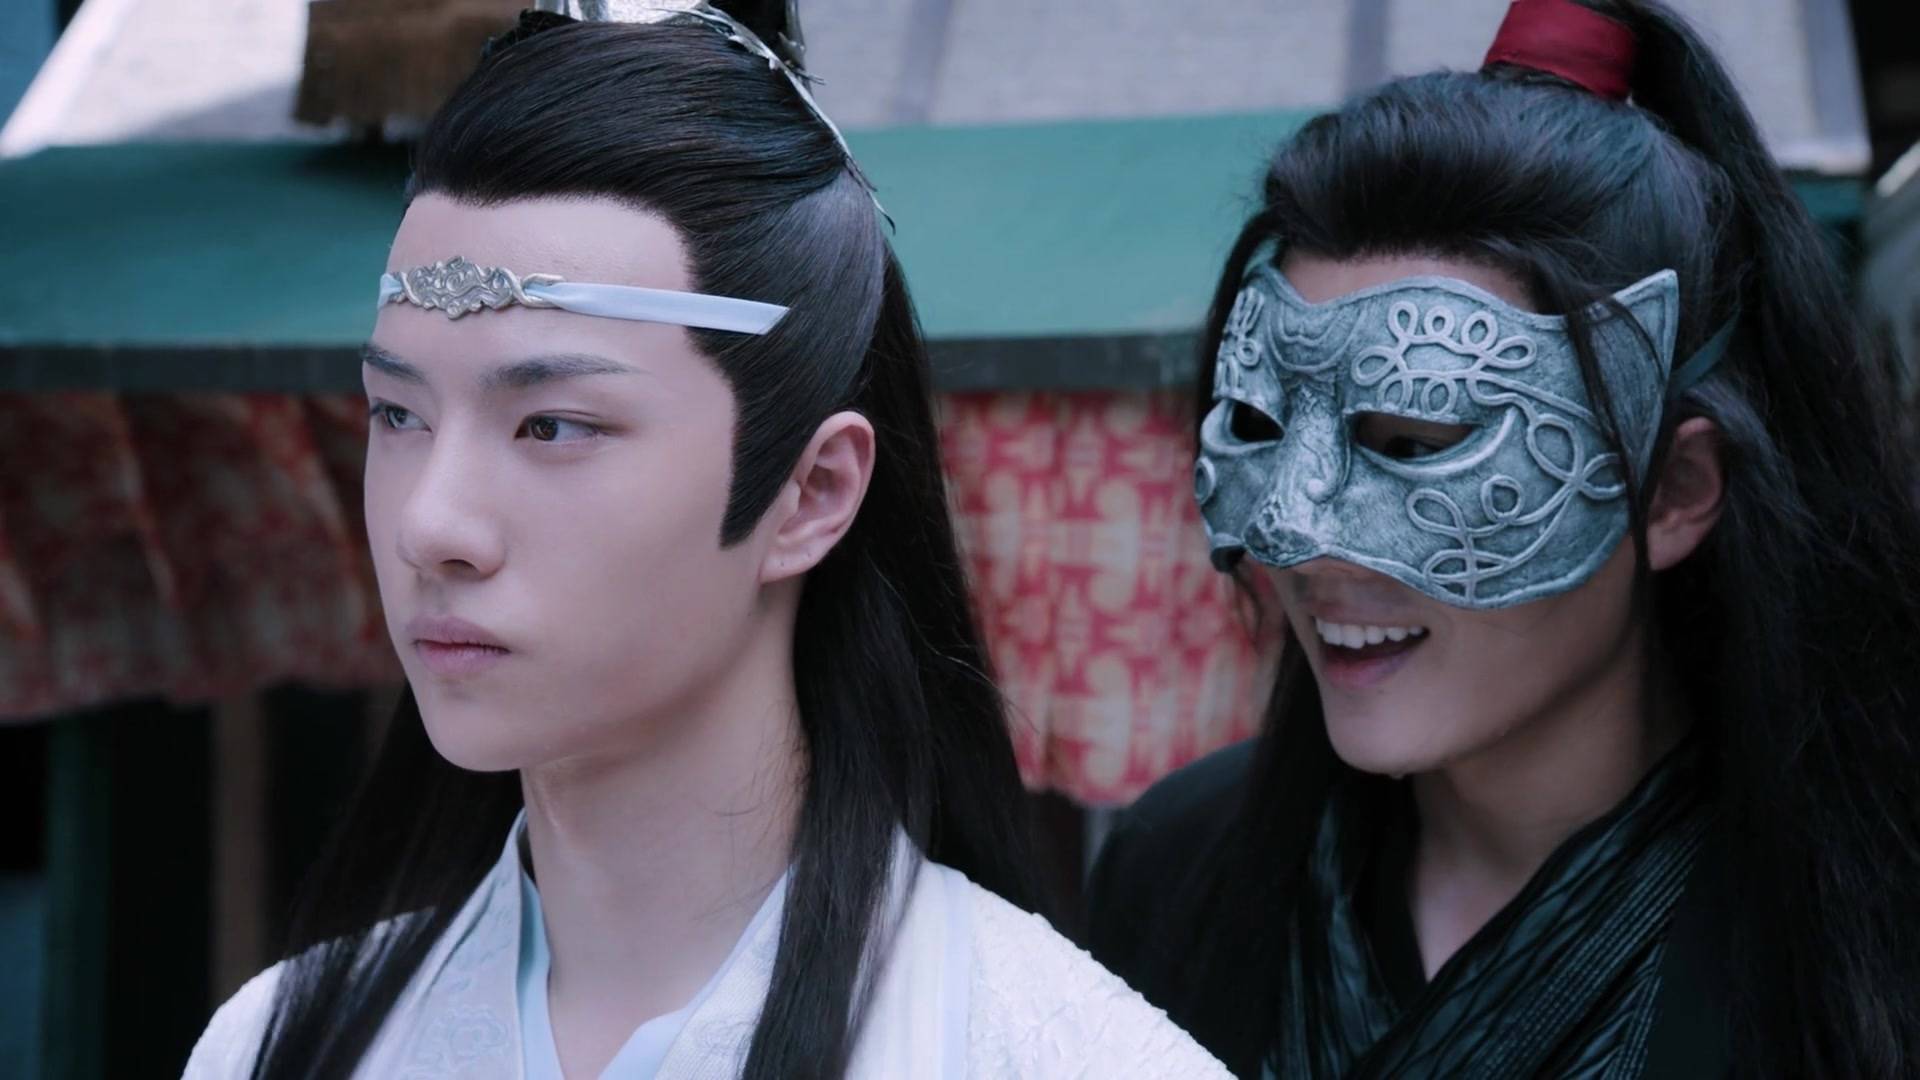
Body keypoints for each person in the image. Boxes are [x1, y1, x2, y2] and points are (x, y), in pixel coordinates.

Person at [184, 4, 1227, 1077]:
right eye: (398, 415)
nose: (431, 525)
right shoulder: (271, 1048)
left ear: (811, 492)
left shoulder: (1067, 1056)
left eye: (553, 426)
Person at [1086, 1, 1920, 1077]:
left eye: (1414, 440)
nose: (1292, 530)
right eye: (1258, 423)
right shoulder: (1177, 869)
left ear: (1674, 490)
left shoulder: (1866, 945)